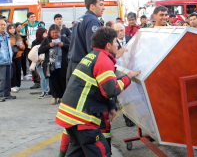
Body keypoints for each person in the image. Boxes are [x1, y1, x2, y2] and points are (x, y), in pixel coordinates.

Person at [55, 27, 140, 157]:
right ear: (108, 45)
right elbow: (111, 90)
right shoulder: (104, 60)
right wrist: (128, 77)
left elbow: (100, 87)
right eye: (115, 41)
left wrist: (111, 106)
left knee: (76, 152)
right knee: (101, 151)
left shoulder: (92, 56)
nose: (117, 44)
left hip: (70, 116)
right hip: (83, 118)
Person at [39, 24, 70, 105]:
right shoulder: (46, 40)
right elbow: (40, 50)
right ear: (49, 33)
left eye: (56, 33)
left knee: (62, 80)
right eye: (53, 33)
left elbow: (71, 47)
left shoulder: (63, 39)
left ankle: (62, 97)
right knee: (53, 81)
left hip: (62, 64)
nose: (55, 35)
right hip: (51, 65)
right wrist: (49, 46)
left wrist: (63, 45)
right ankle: (54, 97)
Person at [20, 12, 45, 89]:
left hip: (40, 47)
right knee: (32, 65)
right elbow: (22, 37)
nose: (33, 18)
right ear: (28, 18)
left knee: (42, 63)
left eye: (34, 16)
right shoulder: (25, 27)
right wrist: (25, 41)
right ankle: (36, 82)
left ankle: (44, 80)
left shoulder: (40, 25)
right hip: (30, 47)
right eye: (31, 17)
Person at [30, 28, 49, 98]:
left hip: (46, 61)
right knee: (43, 76)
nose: (46, 34)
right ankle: (43, 91)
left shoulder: (48, 40)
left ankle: (47, 90)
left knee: (47, 76)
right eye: (44, 32)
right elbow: (33, 53)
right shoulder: (35, 42)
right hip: (38, 62)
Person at [0, 19, 15, 102]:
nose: (3, 26)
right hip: (1, 61)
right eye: (1, 25)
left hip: (8, 60)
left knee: (8, 78)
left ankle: (7, 93)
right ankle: (0, 95)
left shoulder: (6, 35)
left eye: (4, 25)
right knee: (1, 79)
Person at [7, 24, 25, 93]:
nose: (12, 30)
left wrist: (20, 46)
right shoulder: (7, 37)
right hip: (10, 56)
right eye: (10, 28)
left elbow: (23, 47)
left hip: (18, 55)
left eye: (13, 28)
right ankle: (13, 85)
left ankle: (18, 84)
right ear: (8, 30)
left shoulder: (18, 36)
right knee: (13, 70)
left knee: (18, 70)